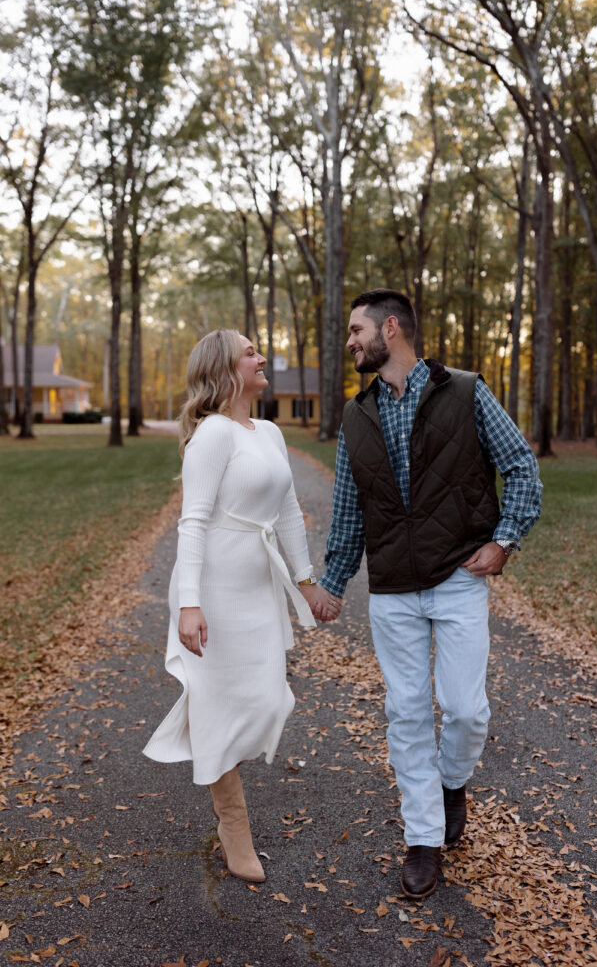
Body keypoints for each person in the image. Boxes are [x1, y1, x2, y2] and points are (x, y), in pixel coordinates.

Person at [315, 289, 542, 899]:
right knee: (407, 711)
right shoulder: (355, 415)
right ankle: (423, 837)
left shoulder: (466, 391)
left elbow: (521, 466)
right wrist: (332, 585)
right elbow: (346, 510)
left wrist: (504, 542)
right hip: (391, 590)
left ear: (392, 329)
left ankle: (450, 783)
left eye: (358, 329)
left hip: (458, 576)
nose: (351, 341)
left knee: (466, 710)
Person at [143, 329, 339, 883]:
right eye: (250, 352)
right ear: (226, 369)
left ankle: (221, 784)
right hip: (215, 587)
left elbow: (286, 513)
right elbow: (194, 522)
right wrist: (189, 604)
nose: (261, 358)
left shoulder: (270, 432)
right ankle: (234, 824)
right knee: (218, 701)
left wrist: (305, 584)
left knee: (266, 700)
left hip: (257, 587)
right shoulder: (212, 436)